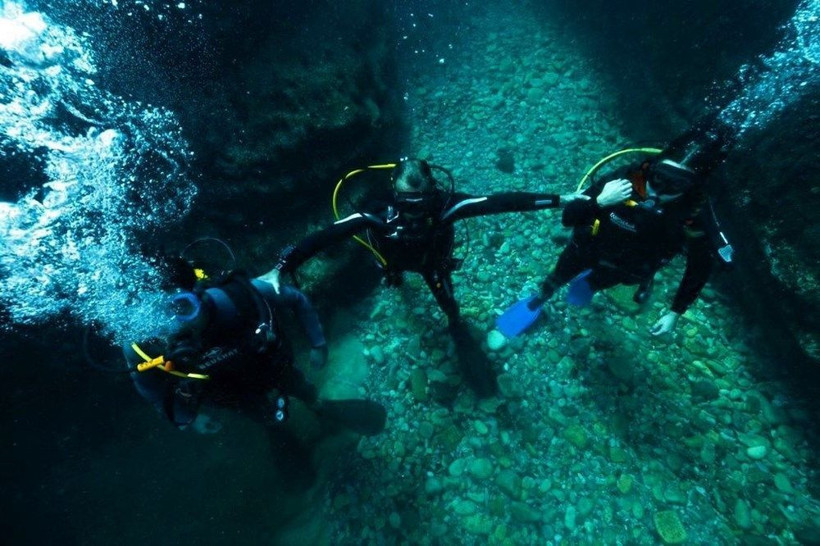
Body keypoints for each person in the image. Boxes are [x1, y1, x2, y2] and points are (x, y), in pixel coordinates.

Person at [261, 159, 585, 396]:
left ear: (432, 193)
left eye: (421, 204)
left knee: (448, 303)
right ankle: (401, 282)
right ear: (394, 198)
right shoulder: (378, 213)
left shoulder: (447, 207)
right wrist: (282, 265)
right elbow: (326, 236)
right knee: (393, 276)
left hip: (433, 265)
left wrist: (562, 199)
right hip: (395, 261)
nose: (414, 214)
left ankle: (456, 323)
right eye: (406, 205)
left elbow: (503, 202)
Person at [124, 266, 386, 486]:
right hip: (233, 394)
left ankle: (317, 407)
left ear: (199, 295)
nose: (175, 327)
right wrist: (189, 420)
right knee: (265, 416)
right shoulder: (144, 348)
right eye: (159, 318)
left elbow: (295, 299)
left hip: (273, 368)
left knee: (302, 389)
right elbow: (150, 388)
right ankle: (277, 426)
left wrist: (318, 343)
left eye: (183, 307)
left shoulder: (234, 298)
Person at [499, 120, 734, 338]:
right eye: (658, 178)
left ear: (691, 188)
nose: (658, 191)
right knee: (558, 276)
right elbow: (569, 219)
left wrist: (675, 312)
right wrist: (599, 201)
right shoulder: (624, 180)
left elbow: (699, 267)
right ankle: (540, 298)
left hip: (628, 268)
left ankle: (590, 284)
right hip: (586, 247)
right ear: (651, 168)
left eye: (676, 184)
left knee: (596, 282)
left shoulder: (694, 213)